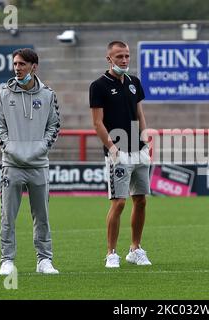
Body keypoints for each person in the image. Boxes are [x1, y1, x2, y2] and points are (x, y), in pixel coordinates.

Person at [0, 48, 61, 275]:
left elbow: (54, 126)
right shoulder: (3, 93)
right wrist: (10, 148)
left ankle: (44, 260)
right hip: (11, 165)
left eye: (22, 64)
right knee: (7, 216)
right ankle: (7, 260)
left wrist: (41, 148)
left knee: (41, 216)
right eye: (15, 64)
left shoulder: (48, 95)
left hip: (38, 164)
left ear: (34, 66)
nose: (17, 68)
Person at [89, 41, 152, 268]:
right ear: (109, 59)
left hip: (139, 150)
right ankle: (111, 253)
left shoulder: (134, 82)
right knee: (119, 203)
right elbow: (97, 123)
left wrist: (146, 138)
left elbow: (139, 112)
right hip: (118, 153)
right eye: (119, 57)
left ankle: (135, 249)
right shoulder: (98, 86)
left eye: (126, 56)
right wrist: (112, 148)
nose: (124, 60)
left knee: (141, 200)